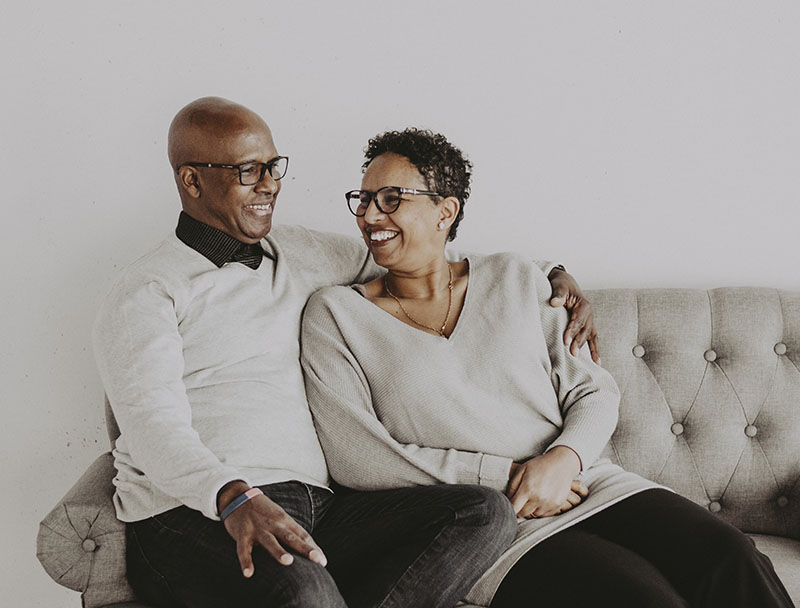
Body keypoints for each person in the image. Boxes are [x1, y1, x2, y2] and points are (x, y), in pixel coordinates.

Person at [92, 97, 597, 608]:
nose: (270, 184)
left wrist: (550, 273)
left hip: (320, 505)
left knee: (484, 512)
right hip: (194, 512)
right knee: (305, 592)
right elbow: (151, 425)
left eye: (273, 166)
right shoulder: (147, 290)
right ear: (192, 181)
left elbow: (421, 251)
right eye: (249, 170)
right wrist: (233, 496)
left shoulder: (300, 251)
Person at [300, 128, 794, 608]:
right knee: (641, 598)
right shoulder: (337, 315)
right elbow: (357, 456)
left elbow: (594, 391)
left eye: (390, 199)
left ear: (444, 211)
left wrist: (564, 459)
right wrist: (509, 475)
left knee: (733, 557)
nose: (368, 215)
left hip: (587, 483)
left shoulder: (515, 277)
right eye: (361, 200)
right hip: (491, 524)